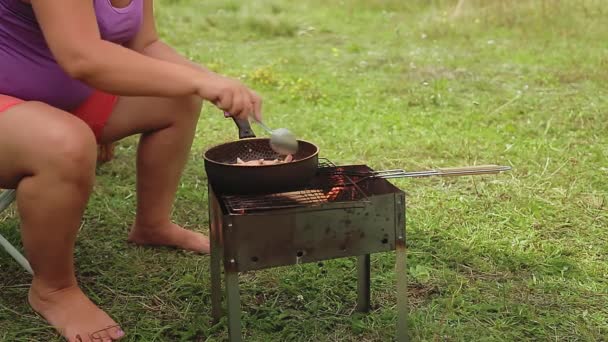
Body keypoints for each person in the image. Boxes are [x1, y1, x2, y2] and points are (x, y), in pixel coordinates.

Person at [0, 0, 262, 341]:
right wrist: (197, 81)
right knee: (65, 143)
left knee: (176, 96)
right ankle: (53, 289)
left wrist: (207, 80)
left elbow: (146, 45)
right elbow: (84, 58)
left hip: (53, 97)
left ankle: (153, 225)